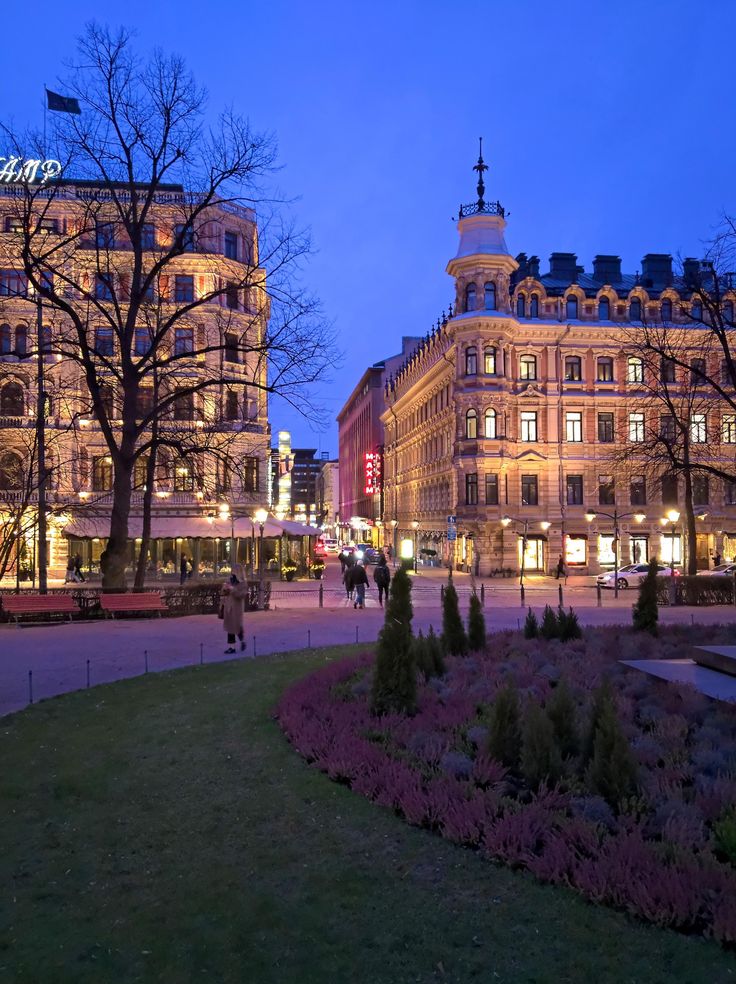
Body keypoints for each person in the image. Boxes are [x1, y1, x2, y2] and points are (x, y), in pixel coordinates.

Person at [220, 564, 248, 654]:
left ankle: (242, 640)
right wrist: (225, 588)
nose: (232, 572)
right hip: (229, 607)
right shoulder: (229, 579)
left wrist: (233, 590)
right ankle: (231, 647)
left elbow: (242, 595)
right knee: (230, 627)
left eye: (234, 570)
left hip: (237, 608)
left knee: (236, 626)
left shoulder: (243, 583)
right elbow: (224, 592)